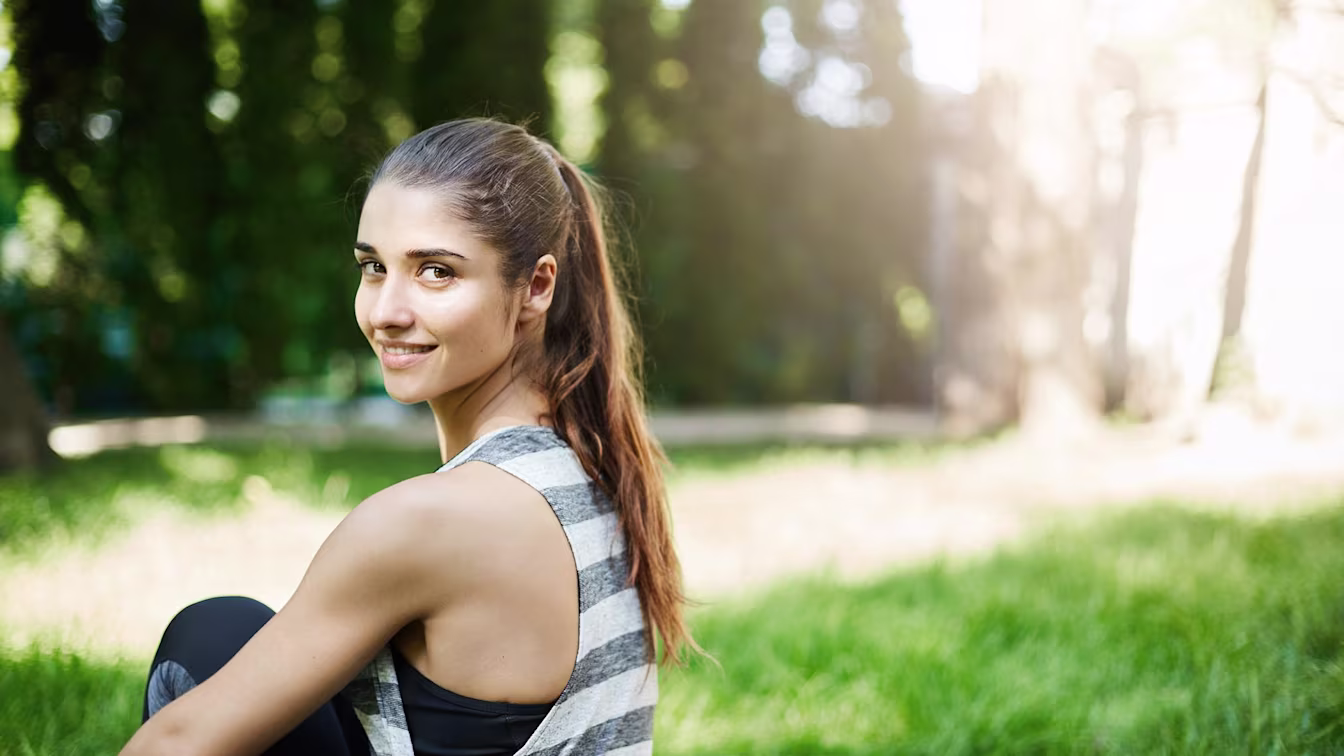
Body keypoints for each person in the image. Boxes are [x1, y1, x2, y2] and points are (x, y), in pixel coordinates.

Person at [120, 118, 692, 756]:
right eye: (373, 266)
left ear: (535, 286)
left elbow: (181, 739)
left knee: (209, 638)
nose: (386, 311)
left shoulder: (428, 521)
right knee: (232, 633)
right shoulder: (593, 466)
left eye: (436, 272)